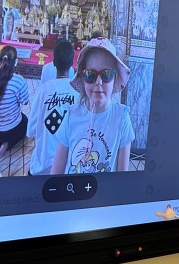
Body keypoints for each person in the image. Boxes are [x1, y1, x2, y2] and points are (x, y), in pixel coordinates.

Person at [50, 38, 134, 174]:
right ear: (83, 78)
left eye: (106, 74)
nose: (98, 82)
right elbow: (56, 171)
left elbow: (122, 177)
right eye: (91, 75)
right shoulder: (71, 116)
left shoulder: (122, 118)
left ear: (115, 78)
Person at [27, 38, 77, 175]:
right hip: (68, 169)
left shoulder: (42, 90)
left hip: (41, 167)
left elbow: (30, 130)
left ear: (54, 62)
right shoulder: (78, 93)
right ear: (72, 64)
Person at [0, 45, 29, 159]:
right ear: (15, 62)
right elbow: (25, 101)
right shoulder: (18, 80)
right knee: (25, 121)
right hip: (11, 131)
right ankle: (5, 145)